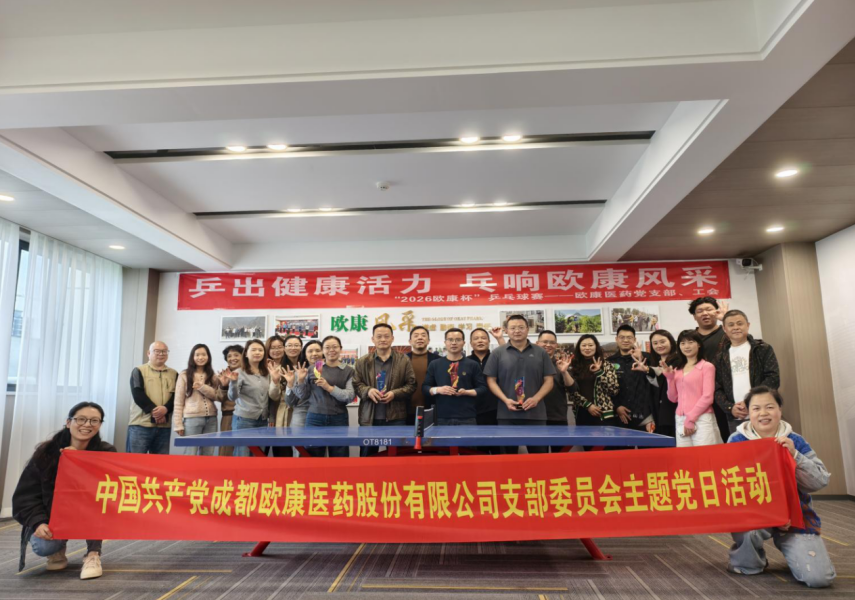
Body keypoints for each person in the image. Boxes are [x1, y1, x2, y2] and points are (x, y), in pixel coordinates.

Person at [727, 386, 835, 588]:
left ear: (779, 410)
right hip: (755, 515)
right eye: (756, 408)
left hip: (795, 517)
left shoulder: (795, 440)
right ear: (748, 413)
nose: (763, 413)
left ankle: (794, 550)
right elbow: (730, 486)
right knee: (747, 549)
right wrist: (772, 515)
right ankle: (749, 560)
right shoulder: (737, 440)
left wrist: (796, 456)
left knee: (819, 579)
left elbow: (820, 481)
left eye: (769, 407)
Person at [13, 402, 115, 578]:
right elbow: (26, 495)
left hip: (88, 510)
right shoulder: (46, 453)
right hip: (54, 513)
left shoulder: (106, 452)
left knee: (98, 503)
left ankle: (93, 554)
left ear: (99, 425)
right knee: (44, 546)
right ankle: (57, 550)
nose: (87, 425)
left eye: (94, 421)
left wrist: (79, 462)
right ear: (69, 422)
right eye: (81, 419)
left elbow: (108, 489)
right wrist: (38, 522)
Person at [483, 314, 556, 454]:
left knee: (539, 458)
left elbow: (549, 380)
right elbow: (491, 381)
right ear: (506, 330)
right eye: (513, 328)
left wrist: (536, 399)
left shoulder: (541, 352)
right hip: (507, 415)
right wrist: (505, 400)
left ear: (528, 329)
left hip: (536, 415)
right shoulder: (497, 353)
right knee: (507, 459)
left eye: (521, 327)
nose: (517, 331)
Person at [353, 324, 416, 456]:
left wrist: (394, 393)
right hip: (369, 417)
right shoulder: (362, 361)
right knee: (367, 457)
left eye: (386, 336)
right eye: (379, 336)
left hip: (396, 418)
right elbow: (356, 384)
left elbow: (411, 385)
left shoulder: (403, 360)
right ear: (373, 339)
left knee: (397, 457)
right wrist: (368, 391)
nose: (383, 339)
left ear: (392, 338)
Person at [714, 310, 781, 434]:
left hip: (763, 413)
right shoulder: (720, 357)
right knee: (740, 446)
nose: (736, 327)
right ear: (724, 329)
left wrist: (750, 401)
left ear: (748, 325)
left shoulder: (762, 349)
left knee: (767, 445)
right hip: (736, 415)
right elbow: (717, 388)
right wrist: (730, 407)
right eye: (731, 325)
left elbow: (773, 378)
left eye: (740, 323)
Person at [293, 335, 355, 457]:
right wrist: (300, 381)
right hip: (314, 418)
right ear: (323, 350)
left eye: (334, 347)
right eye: (327, 347)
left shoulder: (349, 371)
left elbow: (349, 396)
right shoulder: (315, 368)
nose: (331, 350)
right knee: (313, 457)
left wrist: (329, 387)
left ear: (340, 349)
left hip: (339, 418)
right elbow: (303, 395)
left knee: (339, 455)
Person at [662, 330, 721, 447]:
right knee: (685, 456)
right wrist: (669, 378)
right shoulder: (677, 369)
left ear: (699, 344)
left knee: (705, 455)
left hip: (702, 418)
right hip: (680, 418)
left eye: (690, 342)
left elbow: (708, 397)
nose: (686, 346)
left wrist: (691, 418)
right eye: (682, 343)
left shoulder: (707, 366)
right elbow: (673, 398)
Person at [225, 339, 282, 457]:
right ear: (246, 353)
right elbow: (232, 397)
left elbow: (274, 397)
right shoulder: (239, 372)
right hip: (244, 420)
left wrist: (275, 381)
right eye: (254, 350)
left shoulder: (268, 372)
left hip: (263, 420)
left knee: (258, 456)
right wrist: (233, 383)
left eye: (260, 350)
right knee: (242, 456)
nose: (257, 352)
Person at [423, 328, 487, 425]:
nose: (454, 343)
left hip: (467, 417)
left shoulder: (472, 364)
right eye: (450, 340)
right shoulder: (435, 364)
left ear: (463, 343)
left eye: (458, 340)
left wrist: (466, 392)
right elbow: (425, 388)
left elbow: (483, 389)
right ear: (445, 342)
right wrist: (438, 390)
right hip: (441, 417)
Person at [690, 296, 731, 442]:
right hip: (698, 397)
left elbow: (745, 340)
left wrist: (726, 320)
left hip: (725, 395)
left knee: (728, 436)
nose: (705, 313)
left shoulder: (727, 333)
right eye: (700, 311)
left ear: (717, 312)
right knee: (704, 439)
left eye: (709, 309)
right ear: (694, 316)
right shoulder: (690, 339)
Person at [127, 341, 177, 454]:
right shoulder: (138, 370)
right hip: (141, 425)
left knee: (160, 462)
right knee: (134, 462)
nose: (161, 354)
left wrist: (165, 409)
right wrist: (155, 412)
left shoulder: (174, 373)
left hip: (164, 427)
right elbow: (137, 394)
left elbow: (177, 396)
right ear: (148, 353)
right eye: (157, 351)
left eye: (164, 351)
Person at [608, 325, 657, 432]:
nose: (625, 340)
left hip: (644, 415)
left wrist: (641, 358)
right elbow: (606, 387)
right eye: (622, 337)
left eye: (629, 337)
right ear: (616, 339)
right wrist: (616, 406)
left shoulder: (648, 358)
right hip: (619, 415)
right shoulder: (609, 361)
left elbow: (656, 381)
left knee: (646, 443)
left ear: (634, 339)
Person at [173, 344, 219, 455]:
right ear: (192, 357)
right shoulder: (184, 375)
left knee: (208, 453)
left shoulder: (212, 375)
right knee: (190, 452)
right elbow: (178, 401)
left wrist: (202, 387)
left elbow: (216, 396)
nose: (200, 357)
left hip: (211, 419)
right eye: (197, 355)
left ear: (208, 357)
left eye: (204, 354)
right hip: (192, 419)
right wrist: (178, 424)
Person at [535, 330, 576, 451]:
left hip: (558, 418)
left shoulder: (561, 364)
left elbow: (573, 389)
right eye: (544, 342)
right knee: (539, 458)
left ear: (556, 345)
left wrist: (564, 372)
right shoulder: (530, 364)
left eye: (552, 342)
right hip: (536, 419)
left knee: (559, 458)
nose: (548, 345)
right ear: (537, 343)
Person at [569, 335, 619, 430]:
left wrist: (599, 372)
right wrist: (588, 405)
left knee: (605, 440)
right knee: (585, 439)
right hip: (582, 411)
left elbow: (613, 390)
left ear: (596, 347)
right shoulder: (574, 366)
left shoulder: (606, 365)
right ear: (579, 347)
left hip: (603, 413)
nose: (587, 348)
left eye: (590, 345)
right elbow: (571, 391)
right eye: (584, 345)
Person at [643, 330, 679, 438]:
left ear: (671, 342)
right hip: (657, 415)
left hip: (674, 415)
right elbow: (649, 392)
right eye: (655, 343)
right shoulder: (652, 363)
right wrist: (649, 417)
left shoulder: (679, 361)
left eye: (662, 342)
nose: (659, 346)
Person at [267, 335, 296, 457]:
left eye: (279, 347)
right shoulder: (263, 367)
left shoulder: (290, 366)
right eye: (273, 348)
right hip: (268, 414)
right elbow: (270, 397)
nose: (276, 350)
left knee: (285, 449)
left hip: (287, 412)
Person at [405, 326, 440, 425]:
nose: (420, 338)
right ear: (410, 341)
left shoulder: (438, 360)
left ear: (428, 341)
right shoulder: (403, 360)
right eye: (416, 336)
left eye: (423, 335)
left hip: (431, 409)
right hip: (406, 410)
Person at [216, 344, 242, 456]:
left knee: (244, 451)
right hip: (229, 416)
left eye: (236, 355)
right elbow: (219, 397)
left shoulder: (249, 373)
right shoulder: (223, 375)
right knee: (227, 451)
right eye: (229, 356)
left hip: (247, 417)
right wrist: (224, 386)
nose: (232, 358)